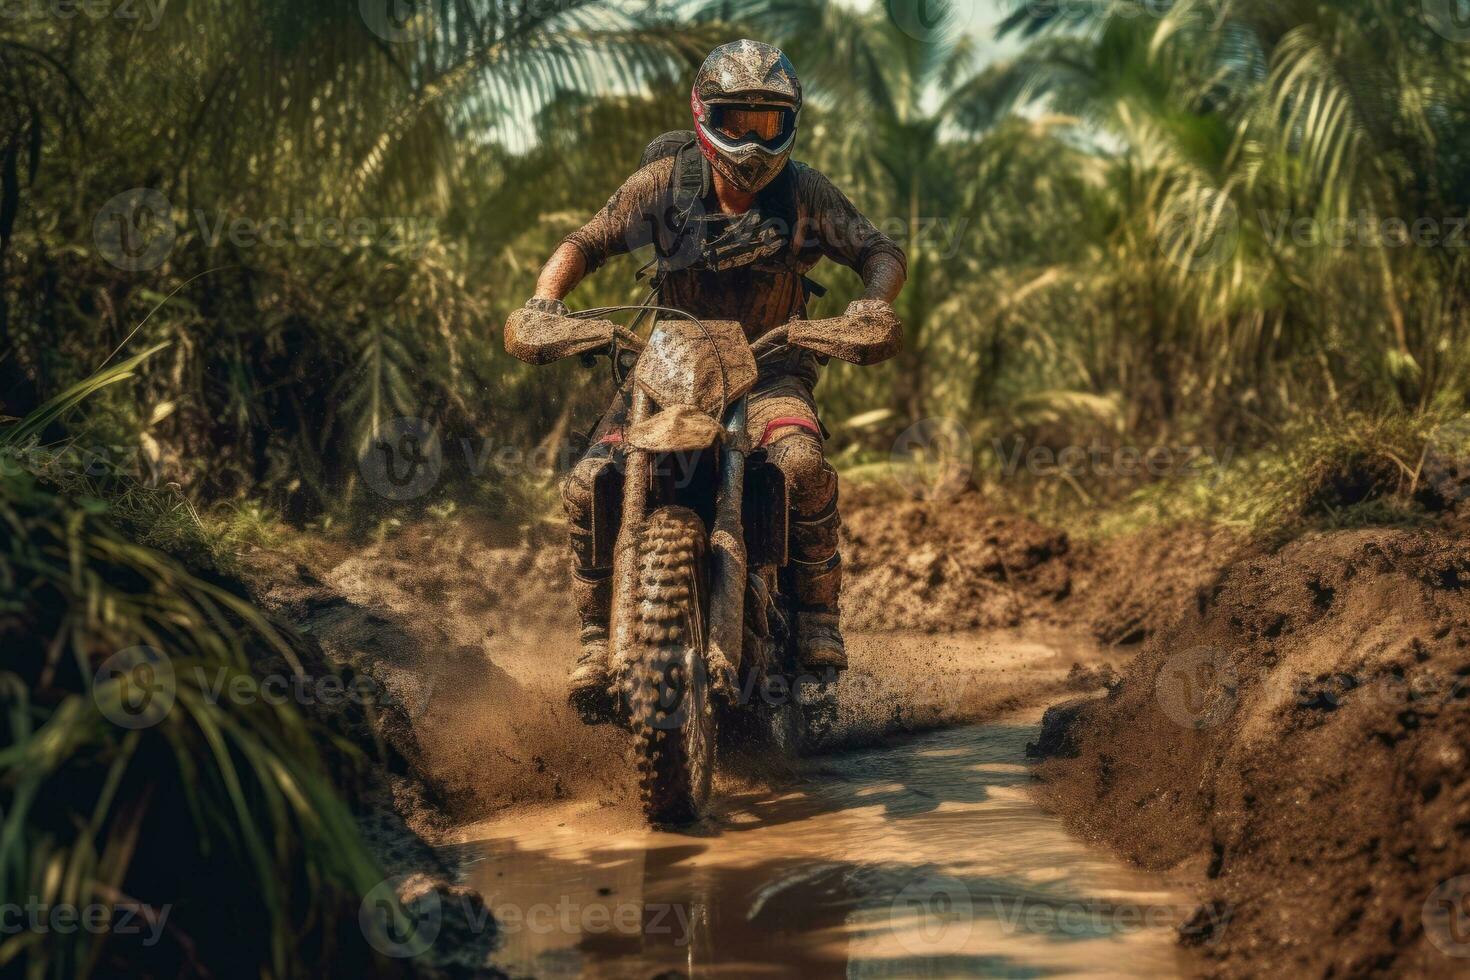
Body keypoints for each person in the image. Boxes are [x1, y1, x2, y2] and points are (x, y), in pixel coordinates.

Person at [510, 39, 907, 711]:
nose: (752, 141)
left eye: (768, 123)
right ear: (704, 116)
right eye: (737, 121)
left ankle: (817, 623)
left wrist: (871, 303)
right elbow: (587, 241)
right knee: (587, 484)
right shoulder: (664, 184)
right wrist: (545, 300)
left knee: (803, 465)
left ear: (791, 123)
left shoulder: (804, 192)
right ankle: (591, 634)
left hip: (771, 369)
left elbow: (879, 251)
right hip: (663, 370)